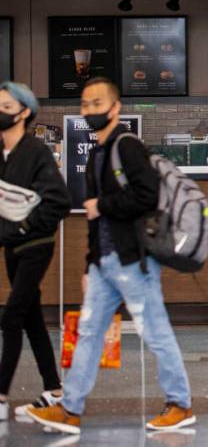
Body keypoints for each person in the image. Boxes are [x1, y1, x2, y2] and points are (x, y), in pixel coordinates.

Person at [28, 78, 193, 435]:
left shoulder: (127, 146)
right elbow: (94, 218)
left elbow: (147, 196)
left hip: (133, 259)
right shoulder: (96, 153)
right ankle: (70, 409)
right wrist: (90, 263)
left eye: (97, 104)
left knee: (155, 332)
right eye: (85, 104)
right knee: (88, 333)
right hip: (106, 261)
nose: (90, 111)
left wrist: (101, 204)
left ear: (116, 108)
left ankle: (180, 404)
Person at [0, 82, 70, 421]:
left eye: (6, 106)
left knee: (11, 316)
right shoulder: (3, 154)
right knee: (30, 318)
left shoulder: (36, 153)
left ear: (24, 112)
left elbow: (59, 200)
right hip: (12, 248)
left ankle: (0, 396)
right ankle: (54, 389)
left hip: (36, 247)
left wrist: (25, 227)